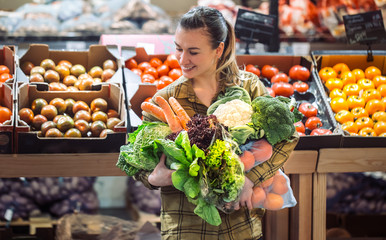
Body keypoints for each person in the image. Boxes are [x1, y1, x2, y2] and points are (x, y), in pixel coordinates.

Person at [135, 6, 299, 240]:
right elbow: (140, 165)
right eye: (178, 49)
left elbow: (287, 139)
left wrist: (251, 179)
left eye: (193, 51)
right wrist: (155, 178)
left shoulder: (248, 87)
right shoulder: (164, 100)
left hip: (240, 227)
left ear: (218, 49)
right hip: (186, 228)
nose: (182, 59)